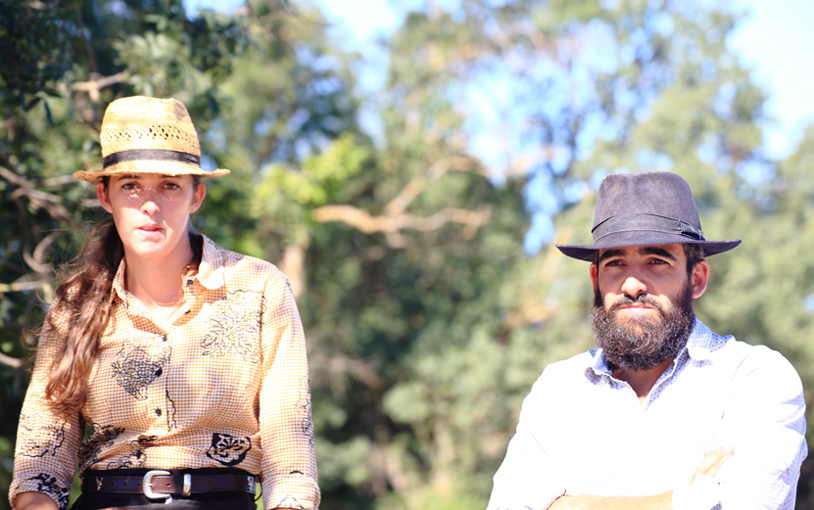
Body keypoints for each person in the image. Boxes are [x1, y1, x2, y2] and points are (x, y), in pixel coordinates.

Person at [10, 96, 319, 510]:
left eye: (170, 185)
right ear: (105, 195)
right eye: (131, 185)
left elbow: (289, 442)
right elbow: (41, 454)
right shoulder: (75, 306)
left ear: (197, 196)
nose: (150, 204)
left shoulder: (261, 288)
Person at [486, 171, 807, 510]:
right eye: (615, 262)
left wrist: (572, 505)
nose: (632, 284)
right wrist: (687, 500)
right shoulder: (558, 389)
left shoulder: (754, 378)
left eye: (656, 261)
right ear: (596, 279)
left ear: (696, 278)